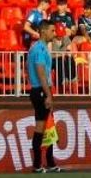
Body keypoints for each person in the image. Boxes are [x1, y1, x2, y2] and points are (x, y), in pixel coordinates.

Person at [26, 22, 62, 173]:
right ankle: (37, 164)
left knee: (48, 125)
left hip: (40, 89)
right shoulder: (40, 48)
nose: (54, 33)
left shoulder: (36, 48)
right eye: (52, 30)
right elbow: (41, 72)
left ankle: (50, 162)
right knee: (41, 127)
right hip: (41, 90)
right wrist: (48, 94)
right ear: (43, 31)